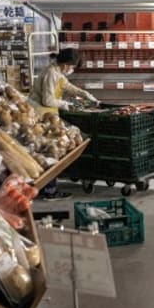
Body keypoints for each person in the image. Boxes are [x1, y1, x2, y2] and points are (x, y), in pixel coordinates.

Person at [30, 47, 97, 199]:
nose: (72, 69)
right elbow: (47, 100)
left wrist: (85, 94)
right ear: (66, 64)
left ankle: (48, 187)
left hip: (49, 114)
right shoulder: (51, 74)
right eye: (72, 67)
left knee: (52, 150)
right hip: (41, 116)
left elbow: (67, 86)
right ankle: (49, 190)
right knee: (51, 151)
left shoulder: (57, 72)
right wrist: (64, 104)